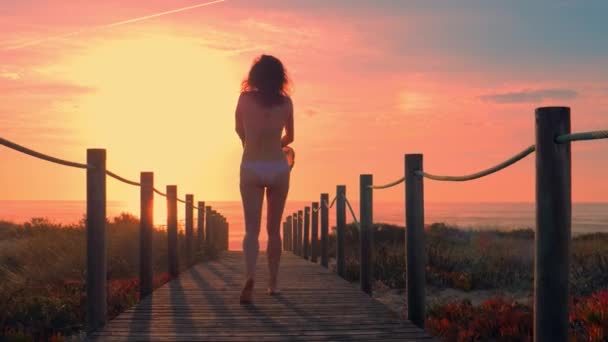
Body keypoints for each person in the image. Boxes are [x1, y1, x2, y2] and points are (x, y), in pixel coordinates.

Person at [235, 54, 294, 304]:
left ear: (255, 76)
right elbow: (289, 137)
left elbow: (239, 129)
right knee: (273, 230)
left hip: (251, 165)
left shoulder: (244, 99)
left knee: (251, 230)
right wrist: (277, 144)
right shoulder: (286, 103)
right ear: (280, 77)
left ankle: (249, 276)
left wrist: (249, 143)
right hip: (278, 168)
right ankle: (274, 284)